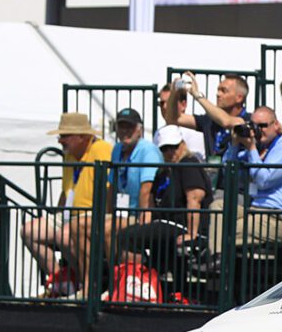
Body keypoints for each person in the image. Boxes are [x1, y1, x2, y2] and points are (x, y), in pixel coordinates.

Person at [20, 113, 112, 298]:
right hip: (70, 215)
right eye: (60, 136)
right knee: (29, 231)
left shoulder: (101, 149)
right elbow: (66, 191)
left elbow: (110, 188)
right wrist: (56, 215)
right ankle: (62, 280)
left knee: (64, 235)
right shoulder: (69, 156)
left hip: (93, 215)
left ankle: (89, 283)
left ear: (82, 136)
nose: (60, 140)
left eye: (65, 136)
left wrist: (103, 216)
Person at [114, 124, 211, 281]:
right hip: (164, 223)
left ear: (182, 144)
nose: (170, 152)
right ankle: (142, 280)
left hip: (181, 225)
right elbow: (151, 201)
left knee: (128, 237)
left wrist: (192, 233)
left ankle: (134, 282)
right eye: (165, 149)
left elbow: (194, 199)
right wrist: (145, 223)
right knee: (132, 234)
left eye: (174, 147)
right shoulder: (163, 171)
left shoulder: (189, 164)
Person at [212, 105, 282, 257]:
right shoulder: (255, 149)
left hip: (278, 216)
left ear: (276, 125)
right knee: (218, 207)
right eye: (254, 126)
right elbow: (229, 170)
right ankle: (217, 261)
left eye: (263, 126)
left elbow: (263, 181)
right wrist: (234, 144)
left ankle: (216, 262)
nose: (258, 131)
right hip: (254, 211)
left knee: (227, 230)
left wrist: (252, 148)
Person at [165, 73, 250, 162]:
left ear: (239, 98)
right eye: (218, 90)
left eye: (223, 91)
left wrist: (198, 95)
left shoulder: (247, 120)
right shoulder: (210, 120)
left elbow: (227, 122)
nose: (218, 94)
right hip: (211, 170)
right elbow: (173, 119)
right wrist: (174, 94)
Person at [108, 108, 161, 240]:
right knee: (79, 227)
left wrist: (143, 219)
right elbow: (112, 186)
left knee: (107, 229)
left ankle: (119, 255)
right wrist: (107, 214)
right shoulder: (117, 149)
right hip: (121, 213)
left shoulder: (148, 150)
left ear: (139, 130)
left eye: (129, 127)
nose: (125, 131)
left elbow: (146, 189)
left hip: (139, 215)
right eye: (121, 126)